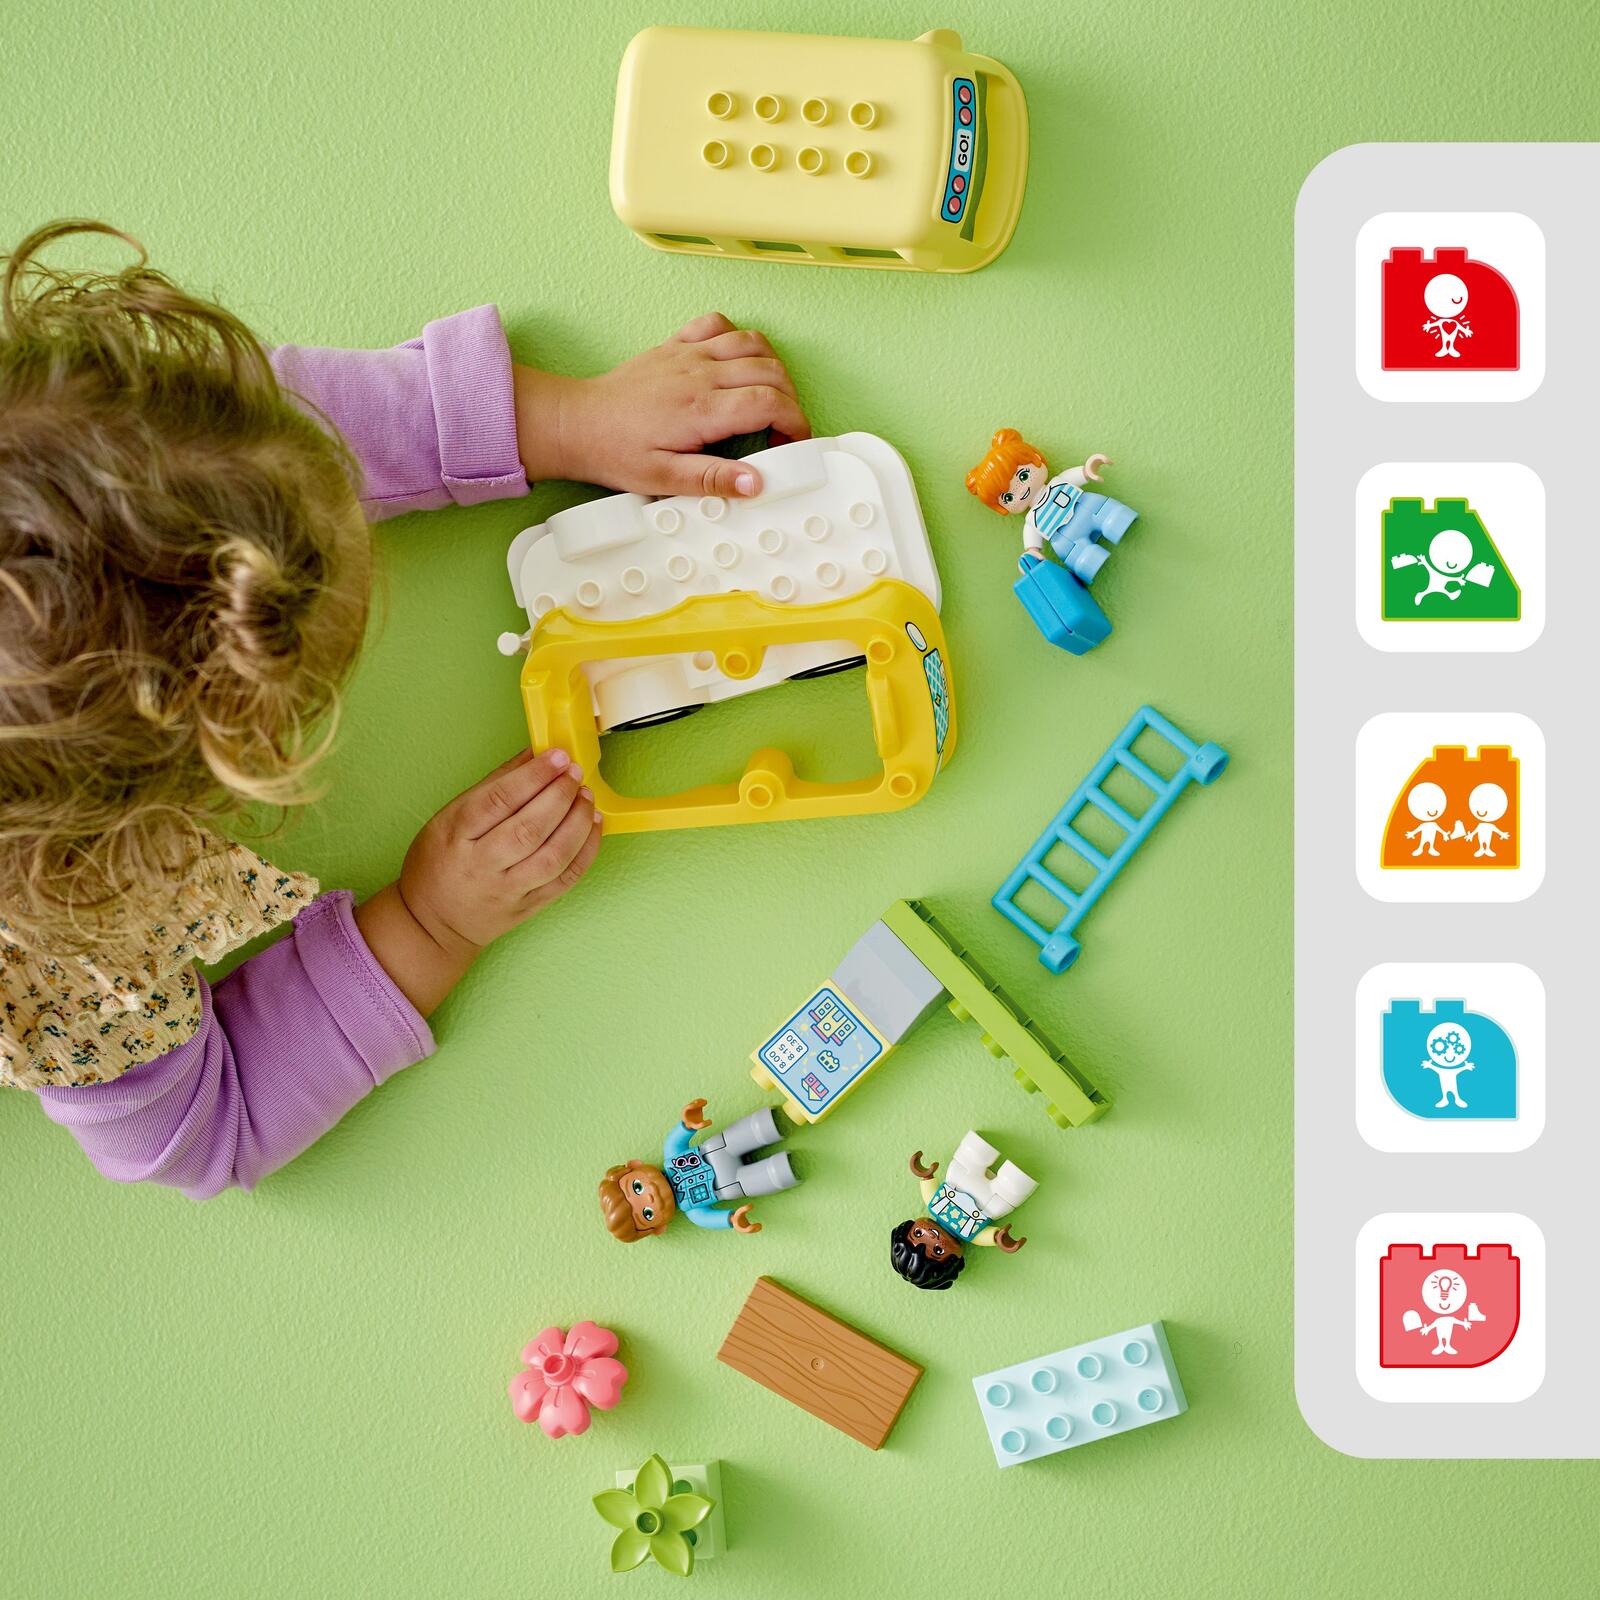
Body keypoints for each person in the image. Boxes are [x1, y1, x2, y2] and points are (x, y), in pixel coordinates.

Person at [0, 219, 809, 1197]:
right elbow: (206, 1133)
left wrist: (556, 418)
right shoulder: (63, 947)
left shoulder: (55, 437)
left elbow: (211, 452)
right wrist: (427, 924)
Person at [597, 1099, 799, 1239]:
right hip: (735, 1183)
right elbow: (708, 1218)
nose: (649, 1197)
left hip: (720, 1148)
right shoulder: (694, 1212)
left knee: (752, 1130)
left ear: (635, 1165)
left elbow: (676, 1139)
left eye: (637, 1188)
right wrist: (732, 1220)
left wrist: (687, 1125)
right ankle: (785, 1169)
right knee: (773, 1176)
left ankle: (770, 1123)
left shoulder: (672, 1155)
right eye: (647, 1213)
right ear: (659, 1227)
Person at [888, 1130, 1035, 1291]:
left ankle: (978, 1148)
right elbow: (985, 1236)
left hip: (959, 1179)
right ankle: (1016, 1180)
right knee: (1013, 1188)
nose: (932, 1236)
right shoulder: (970, 1233)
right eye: (938, 1250)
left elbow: (929, 1190)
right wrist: (998, 1238)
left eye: (918, 1234)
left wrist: (926, 1175)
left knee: (972, 1155)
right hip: (991, 1201)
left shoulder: (934, 1204)